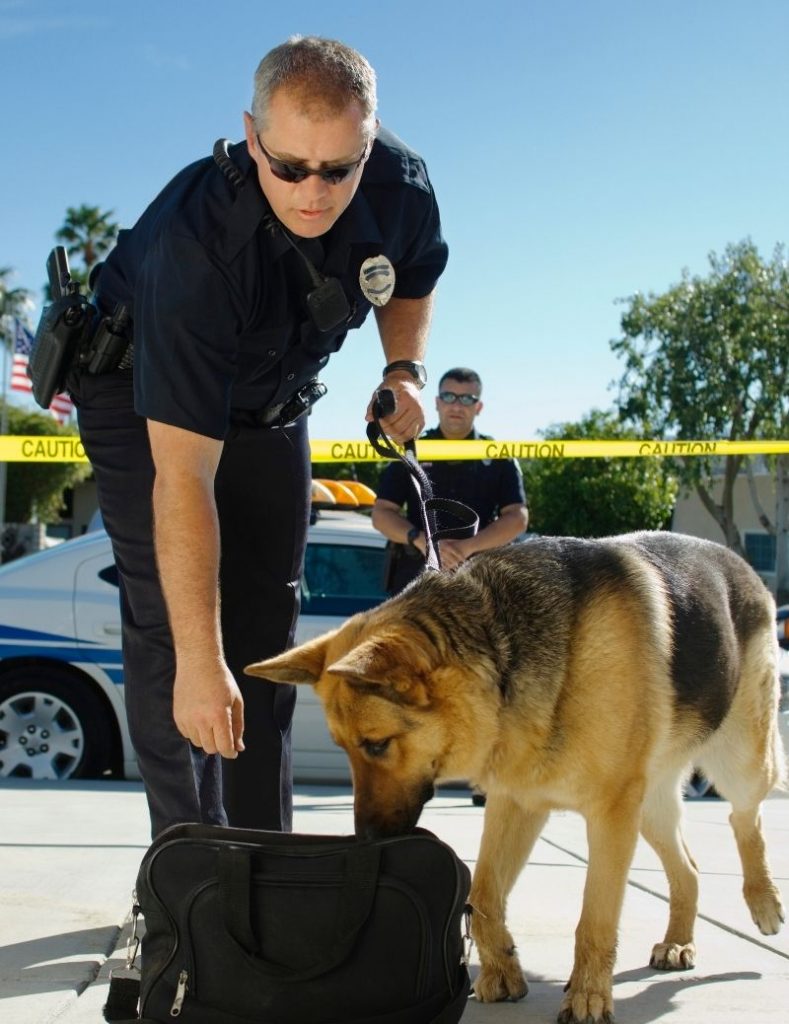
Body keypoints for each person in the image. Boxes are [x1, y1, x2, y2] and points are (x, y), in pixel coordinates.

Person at [67, 36, 448, 838]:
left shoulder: (402, 188)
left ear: (368, 145)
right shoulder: (197, 244)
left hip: (272, 392)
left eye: (338, 170)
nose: (314, 193)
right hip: (141, 390)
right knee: (180, 640)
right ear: (251, 137)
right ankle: (189, 874)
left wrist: (405, 369)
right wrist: (202, 667)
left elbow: (411, 276)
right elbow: (183, 481)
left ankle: (262, 857)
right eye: (289, 167)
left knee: (265, 638)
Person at [372, 368, 528, 593]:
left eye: (467, 398)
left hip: (480, 584)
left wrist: (465, 549)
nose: (456, 406)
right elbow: (381, 514)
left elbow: (518, 518)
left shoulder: (497, 455)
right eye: (448, 397)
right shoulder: (411, 452)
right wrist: (424, 542)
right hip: (416, 583)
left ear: (479, 407)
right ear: (436, 402)